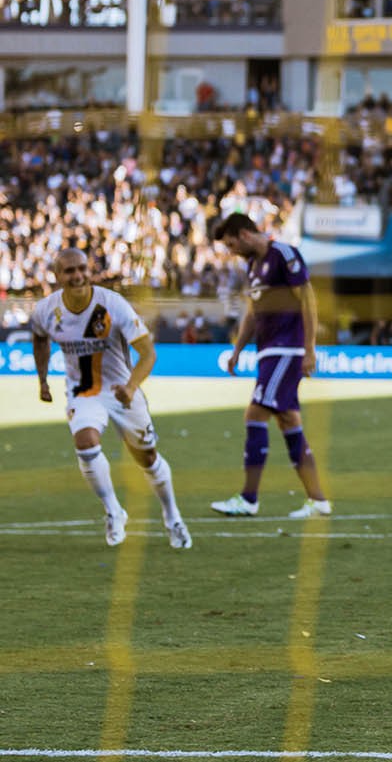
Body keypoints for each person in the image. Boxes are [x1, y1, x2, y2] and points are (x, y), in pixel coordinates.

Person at [30, 249, 192, 549]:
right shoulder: (45, 310)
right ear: (57, 276)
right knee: (86, 443)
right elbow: (39, 337)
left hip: (122, 391)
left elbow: (148, 353)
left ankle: (173, 516)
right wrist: (42, 380)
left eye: (82, 269)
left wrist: (131, 387)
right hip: (84, 392)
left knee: (148, 459)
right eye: (69, 271)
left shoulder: (113, 304)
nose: (77, 276)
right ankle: (114, 512)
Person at [209, 214, 332, 518]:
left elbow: (308, 300)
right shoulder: (253, 266)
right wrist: (237, 349)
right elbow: (253, 312)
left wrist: (310, 348)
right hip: (268, 351)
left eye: (231, 244)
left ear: (245, 234)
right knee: (288, 421)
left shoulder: (284, 255)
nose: (231, 250)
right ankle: (318, 501)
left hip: (286, 349)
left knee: (256, 412)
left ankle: (249, 499)